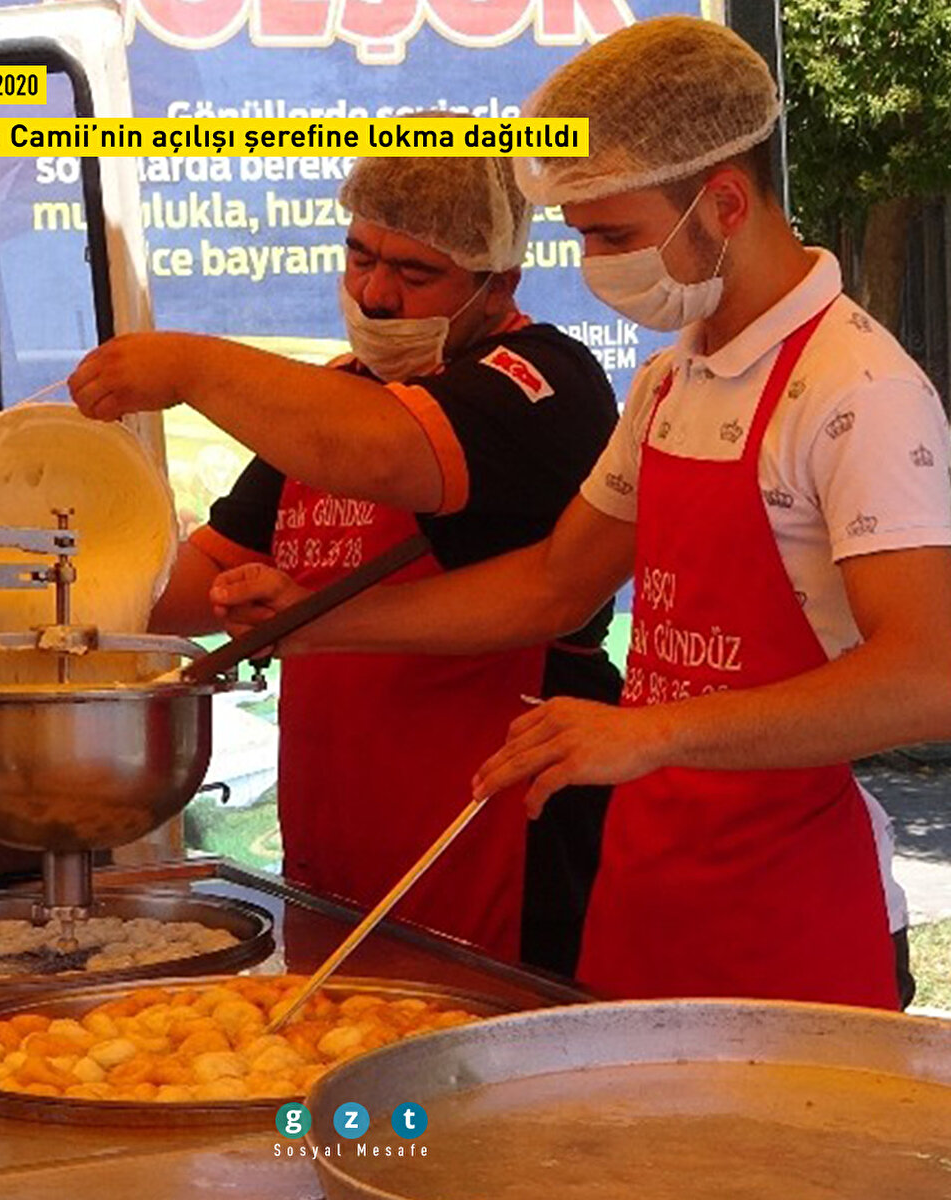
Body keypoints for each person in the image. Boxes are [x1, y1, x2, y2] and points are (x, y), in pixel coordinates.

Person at [206, 17, 951, 1009]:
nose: (594, 264)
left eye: (614, 236)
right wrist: (317, 621)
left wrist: (656, 732)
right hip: (641, 892)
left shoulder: (858, 391)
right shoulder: (671, 381)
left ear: (725, 203)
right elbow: (554, 584)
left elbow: (927, 678)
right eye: (582, 234)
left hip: (788, 917)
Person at [70, 153, 620, 970]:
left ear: (497, 283)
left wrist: (189, 366)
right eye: (361, 257)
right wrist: (42, 590)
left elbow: (380, 451)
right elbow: (196, 579)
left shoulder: (540, 378)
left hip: (496, 850)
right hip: (340, 855)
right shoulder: (338, 395)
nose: (375, 294)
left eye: (415, 273)